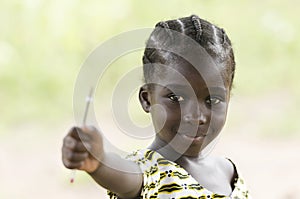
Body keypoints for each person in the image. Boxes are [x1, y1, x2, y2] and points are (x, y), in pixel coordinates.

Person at [62, 15, 251, 198]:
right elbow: (124, 179)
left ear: (229, 98)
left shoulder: (229, 172)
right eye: (176, 98)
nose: (195, 116)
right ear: (147, 99)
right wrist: (100, 162)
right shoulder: (149, 173)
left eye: (213, 100)